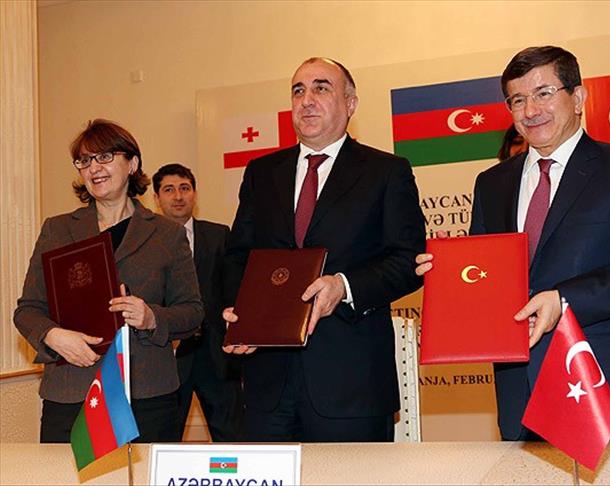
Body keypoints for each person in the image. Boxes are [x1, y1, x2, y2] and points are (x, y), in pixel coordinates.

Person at [416, 46, 610, 440]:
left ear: (578, 97)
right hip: (518, 391)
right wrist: (451, 273)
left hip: (601, 384)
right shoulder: (491, 183)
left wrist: (564, 300)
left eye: (543, 93)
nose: (530, 110)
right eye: (517, 100)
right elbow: (490, 280)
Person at [223, 57, 425, 442]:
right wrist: (238, 311)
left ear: (350, 104)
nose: (307, 100)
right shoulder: (261, 172)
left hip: (351, 383)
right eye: (298, 91)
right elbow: (239, 257)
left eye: (321, 88)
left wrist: (344, 286)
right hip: (268, 383)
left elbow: (407, 261)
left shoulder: (386, 172)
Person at [14, 119, 204, 443]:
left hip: (146, 396)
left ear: (132, 164)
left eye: (104, 157)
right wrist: (53, 336)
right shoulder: (57, 230)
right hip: (71, 392)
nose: (94, 168)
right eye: (84, 160)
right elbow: (27, 309)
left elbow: (193, 312)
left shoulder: (167, 234)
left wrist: (151, 317)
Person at [152, 163, 243, 441]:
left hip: (216, 355)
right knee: (164, 441)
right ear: (156, 198)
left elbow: (234, 291)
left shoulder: (219, 235)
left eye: (185, 188)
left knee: (233, 438)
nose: (178, 196)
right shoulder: (147, 244)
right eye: (169, 190)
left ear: (194, 193)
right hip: (169, 356)